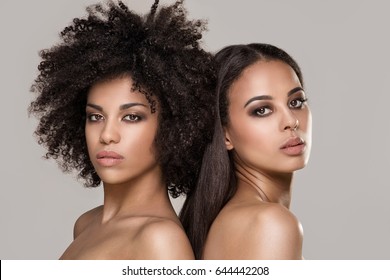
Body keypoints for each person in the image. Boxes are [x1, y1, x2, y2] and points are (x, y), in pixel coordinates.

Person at [29, 0, 216, 259]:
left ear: (173, 127)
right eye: (95, 116)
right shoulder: (86, 224)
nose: (106, 135)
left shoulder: (160, 240)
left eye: (131, 117)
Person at [180, 43, 312, 259]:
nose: (291, 121)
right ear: (225, 135)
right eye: (261, 110)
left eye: (296, 102)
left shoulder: (227, 219)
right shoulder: (269, 223)